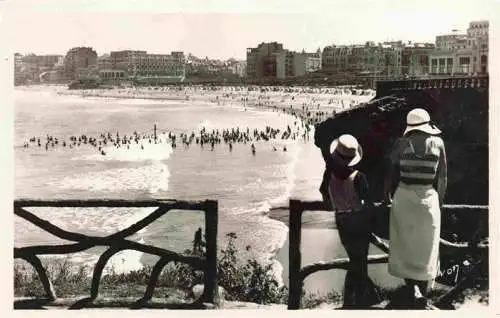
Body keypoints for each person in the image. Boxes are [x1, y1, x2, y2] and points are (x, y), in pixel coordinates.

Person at [384, 108, 447, 309]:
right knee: (426, 248)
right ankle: (422, 294)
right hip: (428, 199)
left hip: (404, 198)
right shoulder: (438, 143)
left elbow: (391, 174)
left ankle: (413, 290)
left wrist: (386, 195)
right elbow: (443, 177)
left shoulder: (401, 144)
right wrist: (440, 201)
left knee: (406, 247)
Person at [324, 134, 381, 309]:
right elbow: (368, 203)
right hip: (357, 221)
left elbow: (325, 195)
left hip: (341, 220)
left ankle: (365, 298)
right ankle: (354, 301)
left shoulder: (329, 173)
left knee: (356, 261)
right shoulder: (359, 177)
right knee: (358, 262)